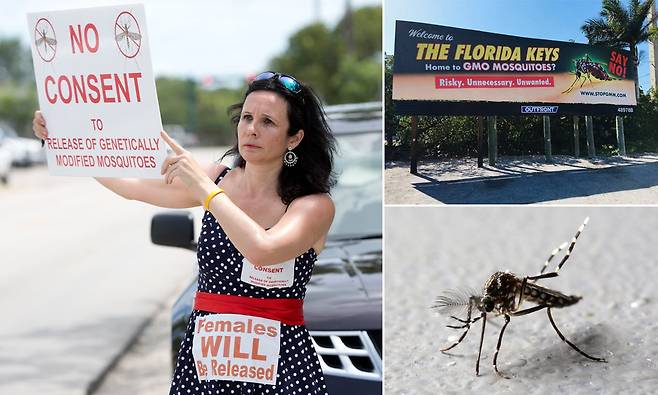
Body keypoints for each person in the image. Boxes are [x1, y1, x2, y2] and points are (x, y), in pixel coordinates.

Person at [33, 71, 336, 394]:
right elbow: (130, 186)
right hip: (206, 366)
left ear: (295, 138)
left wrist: (206, 191)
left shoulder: (312, 205)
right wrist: (64, 139)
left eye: (268, 122)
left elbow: (262, 249)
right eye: (246, 117)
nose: (251, 129)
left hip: (282, 372)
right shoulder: (216, 179)